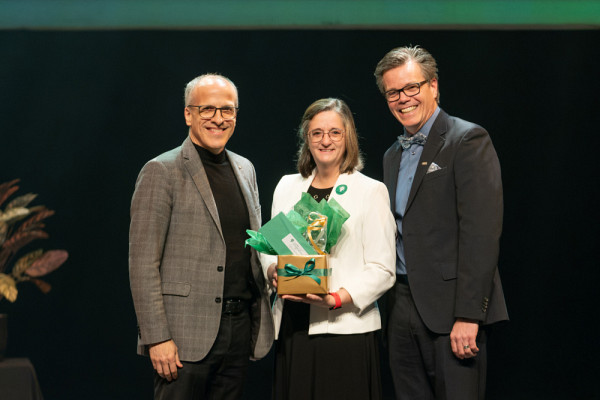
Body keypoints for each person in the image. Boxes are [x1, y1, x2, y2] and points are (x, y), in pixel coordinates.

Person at [374, 46, 509, 400]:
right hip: (401, 306)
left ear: (433, 85)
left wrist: (468, 315)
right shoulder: (392, 155)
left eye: (411, 87)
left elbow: (481, 234)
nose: (403, 99)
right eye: (393, 92)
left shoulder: (467, 139)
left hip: (453, 311)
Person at [129, 74, 274, 400]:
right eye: (208, 109)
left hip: (238, 330)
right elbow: (142, 262)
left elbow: (253, 244)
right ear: (188, 114)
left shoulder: (245, 168)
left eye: (227, 110)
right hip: (182, 337)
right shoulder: (161, 170)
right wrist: (156, 337)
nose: (219, 119)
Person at [263, 98, 396, 400]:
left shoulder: (370, 191)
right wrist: (272, 269)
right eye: (317, 133)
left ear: (348, 138)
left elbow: (383, 268)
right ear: (306, 139)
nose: (326, 140)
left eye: (335, 133)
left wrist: (335, 298)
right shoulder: (286, 186)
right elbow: (270, 246)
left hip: (344, 328)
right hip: (293, 327)